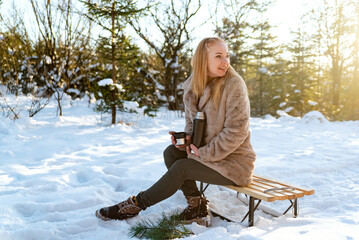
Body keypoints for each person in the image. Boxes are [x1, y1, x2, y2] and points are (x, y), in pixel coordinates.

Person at [95, 37, 256, 226]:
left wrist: (204, 152)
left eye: (227, 56)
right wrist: (187, 140)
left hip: (233, 163)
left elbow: (237, 131)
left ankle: (134, 205)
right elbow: (192, 124)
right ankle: (196, 205)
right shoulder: (193, 86)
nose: (225, 61)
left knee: (181, 168)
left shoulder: (234, 85)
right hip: (209, 156)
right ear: (203, 60)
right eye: (218, 56)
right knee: (171, 153)